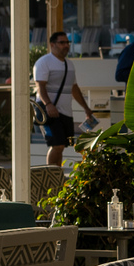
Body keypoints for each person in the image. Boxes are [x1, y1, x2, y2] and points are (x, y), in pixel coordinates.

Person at [35, 30, 92, 166]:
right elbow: (40, 86)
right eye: (62, 43)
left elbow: (74, 88)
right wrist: (48, 104)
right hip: (49, 110)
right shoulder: (44, 62)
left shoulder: (69, 64)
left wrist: (86, 108)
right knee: (57, 145)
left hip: (65, 111)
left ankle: (57, 174)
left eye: (67, 42)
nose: (66, 45)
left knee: (62, 146)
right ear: (52, 44)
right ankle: (51, 175)